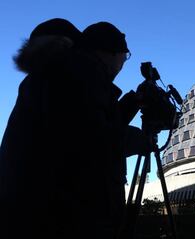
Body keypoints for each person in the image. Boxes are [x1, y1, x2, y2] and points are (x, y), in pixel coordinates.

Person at [0, 20, 148, 239]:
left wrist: (130, 104)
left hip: (33, 214)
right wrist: (142, 140)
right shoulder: (79, 71)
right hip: (67, 218)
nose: (123, 63)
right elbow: (90, 141)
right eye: (124, 56)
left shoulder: (54, 75)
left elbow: (76, 124)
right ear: (111, 52)